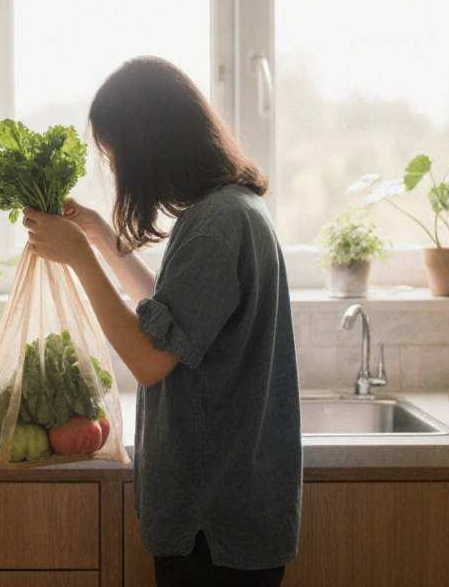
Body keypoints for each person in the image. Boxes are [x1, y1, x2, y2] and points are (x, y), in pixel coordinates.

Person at [21, 56, 302, 587]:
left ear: (148, 147)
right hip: (229, 509)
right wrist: (102, 236)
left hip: (212, 520)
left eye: (116, 153)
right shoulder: (231, 209)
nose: (117, 168)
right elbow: (172, 315)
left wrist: (80, 258)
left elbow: (150, 361)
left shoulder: (215, 228)